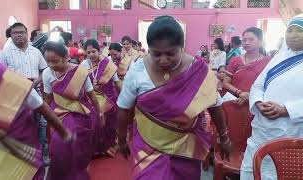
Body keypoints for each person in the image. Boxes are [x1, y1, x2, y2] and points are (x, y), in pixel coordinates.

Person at [116, 15, 232, 180]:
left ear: (182, 47)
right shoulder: (137, 71)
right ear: (148, 49)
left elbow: (215, 105)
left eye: (170, 53)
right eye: (156, 54)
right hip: (148, 145)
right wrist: (121, 139)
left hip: (185, 147)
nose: (163, 60)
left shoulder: (198, 70)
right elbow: (124, 108)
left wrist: (224, 137)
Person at [0, 52, 71, 180]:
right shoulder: (7, 75)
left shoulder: (7, 79)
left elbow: (42, 107)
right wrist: (63, 132)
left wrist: (62, 132)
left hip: (18, 151)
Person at [240, 14, 303, 180]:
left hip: (292, 132)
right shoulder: (278, 57)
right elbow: (258, 85)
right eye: (290, 30)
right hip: (261, 130)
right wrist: (258, 102)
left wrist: (286, 110)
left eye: (300, 30)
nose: (293, 35)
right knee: (251, 171)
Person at [41, 41, 104, 180]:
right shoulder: (46, 73)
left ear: (66, 57)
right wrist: (44, 116)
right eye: (48, 61)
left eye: (55, 61)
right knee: (58, 149)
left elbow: (92, 96)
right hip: (57, 115)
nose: (51, 65)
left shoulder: (80, 72)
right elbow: (48, 97)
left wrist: (99, 113)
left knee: (79, 149)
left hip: (80, 114)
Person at [80, 39, 121, 156]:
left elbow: (117, 83)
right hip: (90, 97)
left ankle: (107, 146)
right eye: (88, 53)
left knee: (104, 120)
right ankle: (95, 149)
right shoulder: (84, 64)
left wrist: (124, 99)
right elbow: (80, 83)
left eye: (93, 51)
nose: (91, 55)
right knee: (91, 119)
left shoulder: (108, 64)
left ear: (99, 51)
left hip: (108, 98)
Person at [223, 27, 270, 107]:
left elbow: (268, 86)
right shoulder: (235, 60)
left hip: (256, 104)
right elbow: (225, 83)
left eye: (251, 39)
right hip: (234, 101)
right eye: (244, 40)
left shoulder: (268, 62)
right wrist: (240, 93)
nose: (247, 42)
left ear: (260, 42)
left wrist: (249, 96)